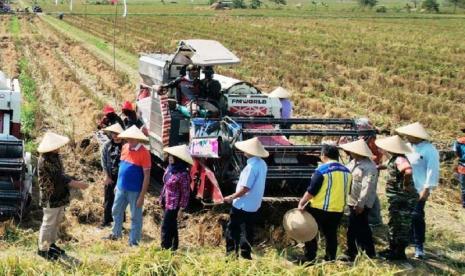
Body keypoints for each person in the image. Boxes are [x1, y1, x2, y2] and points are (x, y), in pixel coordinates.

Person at [37, 132, 89, 260]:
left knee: (56, 221)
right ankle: (42, 249)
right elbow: (59, 178)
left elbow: (62, 174)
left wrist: (73, 180)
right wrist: (77, 184)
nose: (59, 147)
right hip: (50, 195)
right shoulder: (45, 160)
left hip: (59, 194)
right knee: (48, 223)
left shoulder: (55, 156)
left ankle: (51, 244)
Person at [297, 144, 351, 262]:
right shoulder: (347, 170)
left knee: (311, 232)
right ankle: (330, 258)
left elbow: (312, 190)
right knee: (331, 235)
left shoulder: (321, 170)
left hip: (319, 208)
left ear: (323, 155)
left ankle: (310, 257)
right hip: (338, 209)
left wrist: (302, 202)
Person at [396, 122, 439, 259]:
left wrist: (426, 190)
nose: (406, 137)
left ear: (417, 136)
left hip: (420, 188)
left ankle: (419, 246)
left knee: (417, 216)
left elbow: (432, 171)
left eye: (409, 135)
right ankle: (406, 241)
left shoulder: (429, 150)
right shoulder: (407, 147)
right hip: (405, 187)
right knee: (404, 216)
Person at [105, 126, 151, 246]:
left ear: (137, 139)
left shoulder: (144, 153)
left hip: (135, 191)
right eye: (128, 138)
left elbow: (146, 175)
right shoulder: (125, 147)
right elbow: (122, 166)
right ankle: (116, 233)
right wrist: (117, 185)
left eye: (132, 138)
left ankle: (133, 241)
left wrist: (142, 195)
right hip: (121, 188)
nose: (129, 140)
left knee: (135, 217)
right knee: (116, 211)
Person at [223, 137, 269, 260]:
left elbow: (245, 189)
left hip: (242, 204)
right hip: (254, 205)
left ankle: (231, 256)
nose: (244, 151)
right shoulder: (262, 164)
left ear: (250, 152)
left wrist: (231, 197)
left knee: (233, 230)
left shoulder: (250, 168)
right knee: (248, 230)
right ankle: (246, 254)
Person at [375, 135, 417, 260]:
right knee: (394, 223)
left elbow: (408, 171)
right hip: (397, 198)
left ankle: (399, 252)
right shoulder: (394, 159)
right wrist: (376, 167)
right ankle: (393, 249)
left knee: (401, 225)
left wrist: (406, 184)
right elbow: (386, 165)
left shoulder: (400, 159)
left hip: (402, 198)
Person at [339, 139, 377, 261]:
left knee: (355, 228)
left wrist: (360, 204)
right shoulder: (353, 163)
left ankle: (352, 252)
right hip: (352, 200)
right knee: (361, 227)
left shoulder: (369, 167)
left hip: (361, 203)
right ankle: (367, 251)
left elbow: (367, 186)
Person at [159, 145, 193, 250]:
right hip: (166, 200)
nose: (169, 158)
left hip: (174, 205)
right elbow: (165, 185)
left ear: (178, 158)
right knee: (172, 225)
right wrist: (161, 198)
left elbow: (185, 193)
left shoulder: (183, 174)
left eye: (172, 156)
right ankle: (174, 247)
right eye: (169, 156)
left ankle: (165, 247)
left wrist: (182, 209)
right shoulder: (170, 169)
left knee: (165, 226)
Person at [100, 123, 124, 228]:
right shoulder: (107, 145)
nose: (114, 135)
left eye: (117, 133)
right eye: (113, 133)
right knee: (108, 198)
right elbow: (103, 161)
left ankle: (119, 222)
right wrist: (106, 176)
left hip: (122, 176)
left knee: (120, 199)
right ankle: (106, 220)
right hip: (110, 175)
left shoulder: (125, 145)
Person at [453, 124, 465, 208]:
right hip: (463, 167)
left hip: (462, 166)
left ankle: (464, 204)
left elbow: (457, 154)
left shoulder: (458, 142)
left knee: (464, 187)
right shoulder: (459, 142)